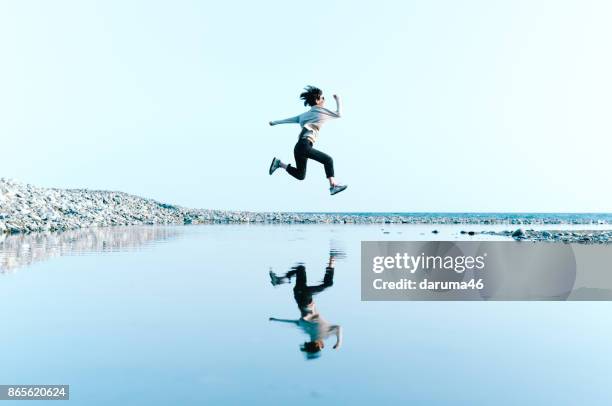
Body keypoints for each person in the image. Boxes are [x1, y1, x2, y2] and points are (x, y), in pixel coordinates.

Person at [268, 86, 348, 196]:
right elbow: (339, 114)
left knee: (301, 175)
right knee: (328, 160)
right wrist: (338, 99)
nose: (324, 99)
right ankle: (333, 185)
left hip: (299, 147)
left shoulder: (304, 115)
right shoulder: (321, 112)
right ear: (317, 100)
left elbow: (290, 119)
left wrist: (275, 122)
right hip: (304, 145)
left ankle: (279, 163)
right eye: (322, 98)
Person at [269, 256, 342, 359]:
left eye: (322, 347)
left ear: (319, 345)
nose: (323, 345)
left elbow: (338, 328)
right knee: (300, 268)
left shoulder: (324, 334)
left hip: (305, 298)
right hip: (298, 295)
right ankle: (280, 280)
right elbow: (293, 322)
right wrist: (275, 319)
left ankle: (332, 259)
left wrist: (338, 342)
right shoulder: (306, 330)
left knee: (328, 283)